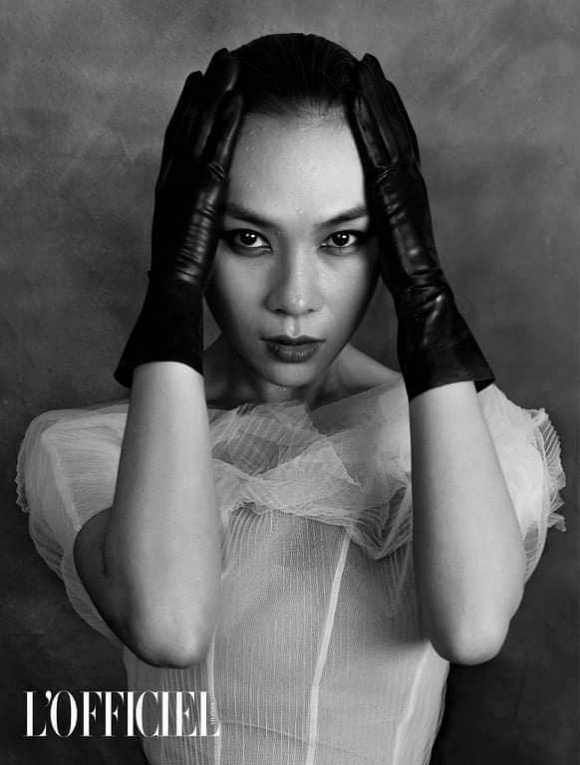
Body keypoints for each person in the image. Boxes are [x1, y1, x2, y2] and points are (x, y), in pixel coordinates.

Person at [16, 33, 565, 765]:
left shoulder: (470, 433)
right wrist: (171, 292)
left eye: (341, 239)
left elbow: (470, 627)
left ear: (393, 243)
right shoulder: (89, 448)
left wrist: (426, 297)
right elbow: (170, 627)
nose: (295, 299)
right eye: (247, 238)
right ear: (193, 238)